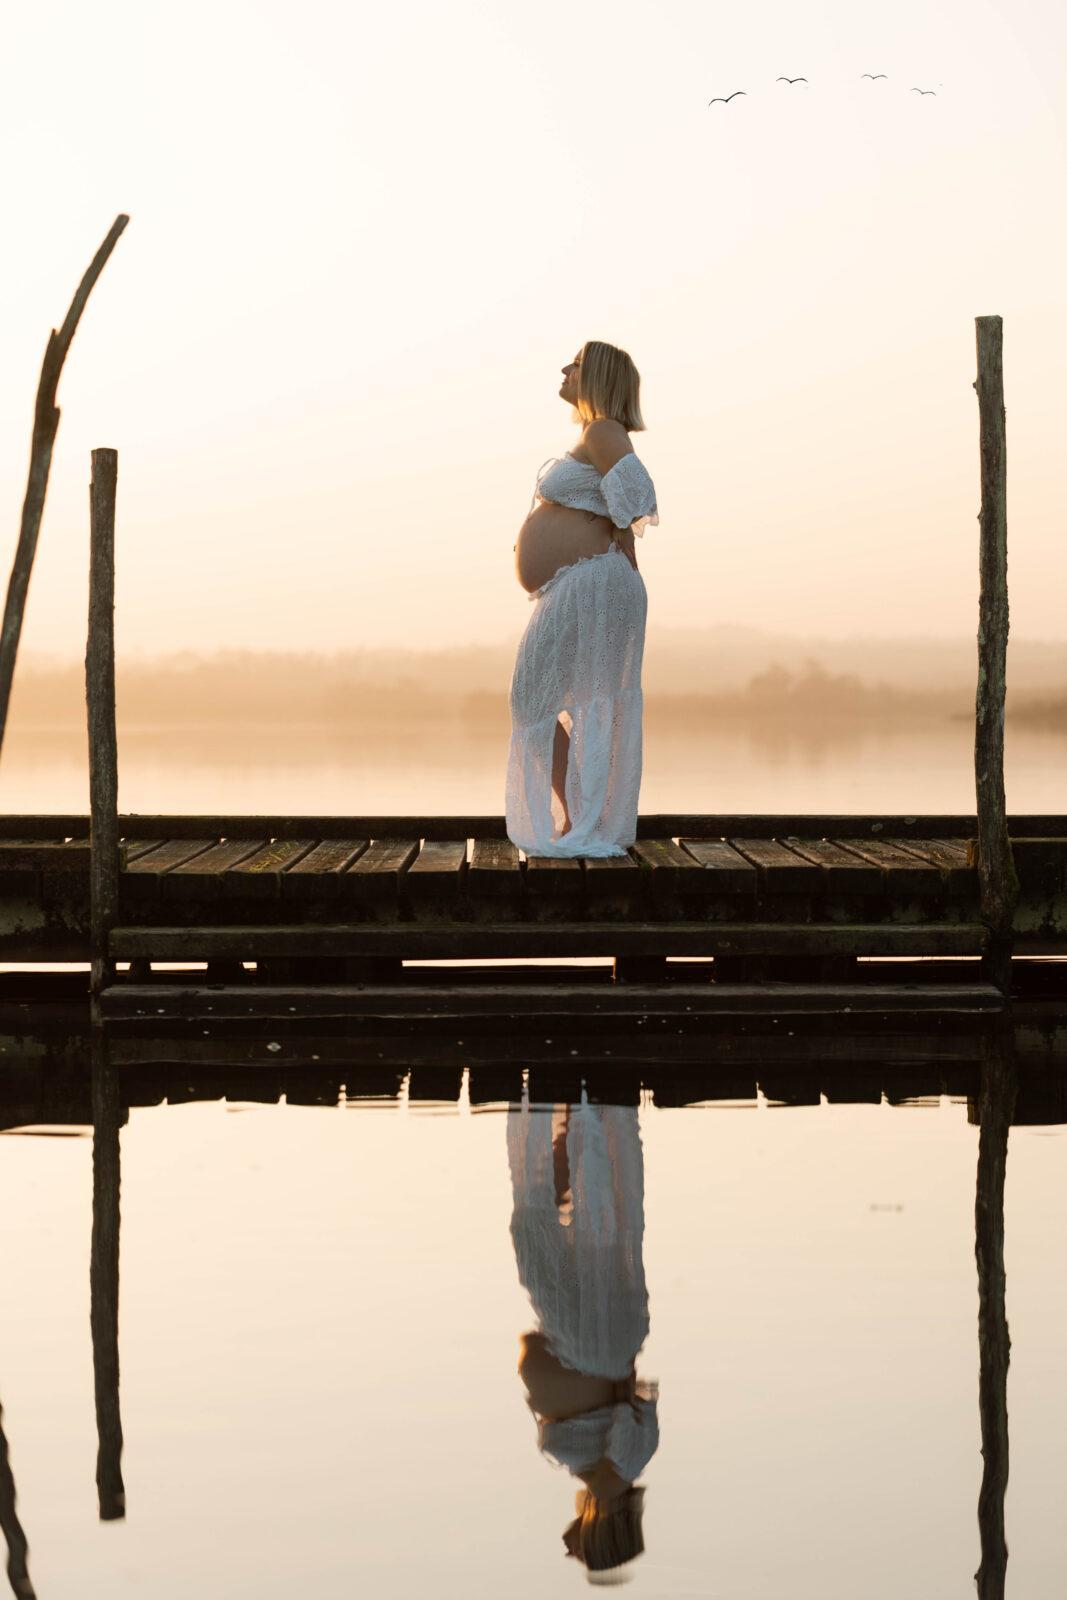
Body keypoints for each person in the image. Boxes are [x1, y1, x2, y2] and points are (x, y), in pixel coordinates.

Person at [507, 340, 659, 857]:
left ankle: (584, 817)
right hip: (581, 583)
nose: (565, 368)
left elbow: (637, 495)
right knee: (548, 699)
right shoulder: (595, 434)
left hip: (593, 583)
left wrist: (618, 526)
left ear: (596, 377)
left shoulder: (602, 430)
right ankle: (582, 815)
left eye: (575, 362)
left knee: (540, 698)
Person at [508, 1095, 659, 1579]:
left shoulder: (608, 1469)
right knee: (576, 1223)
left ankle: (574, 1113)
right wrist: (600, 1495)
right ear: (600, 1531)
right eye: (581, 1545)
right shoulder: (618, 1471)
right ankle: (581, 1110)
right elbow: (629, 1412)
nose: (566, 1545)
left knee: (555, 1224)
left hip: (586, 1340)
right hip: (593, 1340)